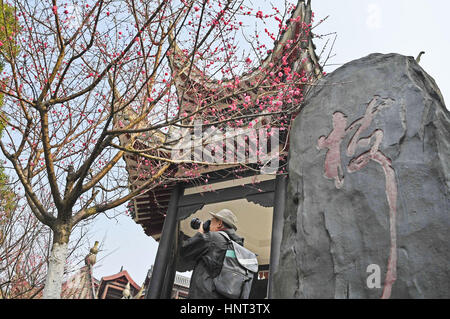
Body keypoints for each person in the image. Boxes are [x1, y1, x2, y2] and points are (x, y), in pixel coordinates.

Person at [179, 208, 244, 299]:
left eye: (211, 221)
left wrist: (200, 232)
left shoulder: (212, 238)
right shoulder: (237, 247)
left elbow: (184, 251)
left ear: (219, 223)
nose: (209, 224)